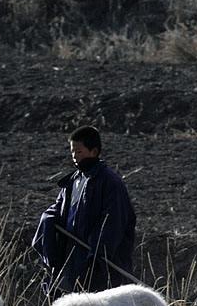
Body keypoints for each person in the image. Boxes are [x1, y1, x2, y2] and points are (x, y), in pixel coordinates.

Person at [32, 126, 136, 297]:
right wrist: (48, 220)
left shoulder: (110, 182)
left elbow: (113, 222)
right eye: (72, 152)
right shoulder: (74, 181)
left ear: (94, 151)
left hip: (97, 261)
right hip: (72, 258)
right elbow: (59, 208)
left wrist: (96, 254)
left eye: (79, 152)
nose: (74, 156)